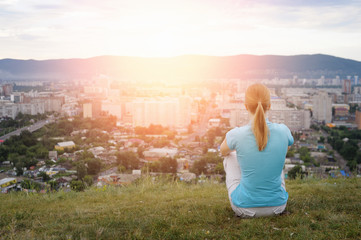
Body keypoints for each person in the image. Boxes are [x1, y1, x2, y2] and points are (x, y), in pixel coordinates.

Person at [220, 83, 294, 218]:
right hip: (278, 206)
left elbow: (222, 151)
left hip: (244, 208)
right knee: (277, 154)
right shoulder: (283, 130)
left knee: (230, 156)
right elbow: (287, 147)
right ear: (269, 106)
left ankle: (249, 191)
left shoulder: (236, 134)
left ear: (246, 106)